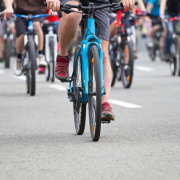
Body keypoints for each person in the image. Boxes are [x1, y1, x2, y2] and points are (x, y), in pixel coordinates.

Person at [46, 0, 135, 121]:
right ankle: (62, 56)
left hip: (100, 2)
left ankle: (104, 104)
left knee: (103, 53)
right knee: (73, 15)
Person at [13, 0, 47, 76]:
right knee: (21, 35)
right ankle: (18, 60)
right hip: (20, 13)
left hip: (37, 11)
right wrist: (8, 7)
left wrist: (52, 8)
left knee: (37, 26)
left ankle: (41, 56)